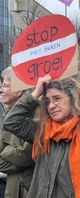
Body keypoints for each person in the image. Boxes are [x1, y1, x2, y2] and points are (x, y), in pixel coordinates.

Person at [3, 75, 80, 198]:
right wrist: (35, 93)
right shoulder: (43, 130)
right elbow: (11, 122)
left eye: (56, 98)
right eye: (47, 102)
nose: (51, 106)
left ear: (74, 98)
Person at [0, 68, 34, 198]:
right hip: (13, 190)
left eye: (6, 86)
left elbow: (26, 157)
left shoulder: (32, 115)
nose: (1, 90)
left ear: (20, 90)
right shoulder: (7, 114)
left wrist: (4, 152)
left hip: (27, 190)